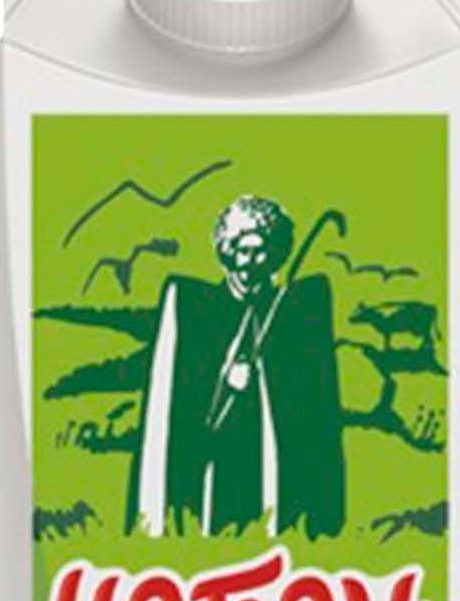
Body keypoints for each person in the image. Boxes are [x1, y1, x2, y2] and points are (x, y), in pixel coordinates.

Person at [128, 196, 346, 538]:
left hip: (267, 455)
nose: (249, 262)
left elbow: (308, 405)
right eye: (242, 251)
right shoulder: (200, 310)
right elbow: (183, 399)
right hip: (215, 454)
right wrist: (224, 378)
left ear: (274, 256)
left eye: (260, 252)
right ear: (228, 252)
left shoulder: (288, 310)